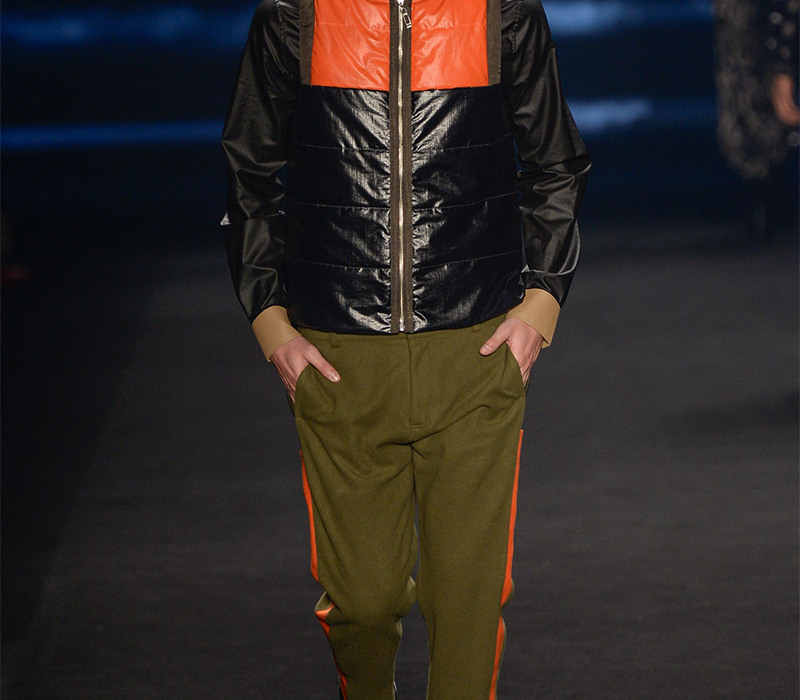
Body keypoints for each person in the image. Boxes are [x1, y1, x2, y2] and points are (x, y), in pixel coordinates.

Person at [221, 1, 589, 698]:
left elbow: (556, 161)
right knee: (362, 604)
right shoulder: (295, 14)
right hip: (340, 358)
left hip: (475, 349)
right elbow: (248, 169)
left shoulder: (501, 10)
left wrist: (540, 307)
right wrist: (271, 323)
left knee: (468, 604)